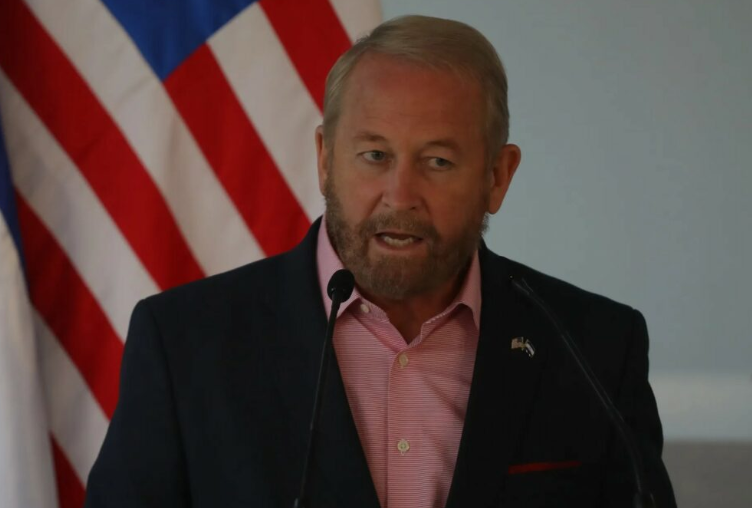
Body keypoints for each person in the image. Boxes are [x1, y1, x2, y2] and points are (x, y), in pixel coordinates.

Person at [85, 15, 676, 508]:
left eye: (438, 161)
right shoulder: (184, 342)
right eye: (374, 155)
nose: (400, 195)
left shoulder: (596, 347)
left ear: (498, 176)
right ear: (325, 159)